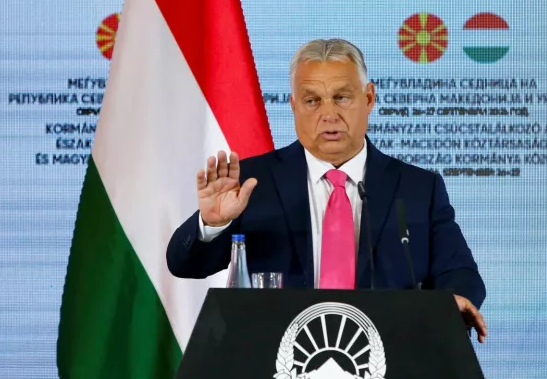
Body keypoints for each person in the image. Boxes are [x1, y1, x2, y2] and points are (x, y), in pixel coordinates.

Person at [166, 38, 487, 342]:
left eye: (342, 97)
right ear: (294, 105)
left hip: (392, 354)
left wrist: (453, 300)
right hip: (276, 358)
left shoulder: (418, 188)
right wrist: (213, 225)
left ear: (369, 98)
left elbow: (459, 270)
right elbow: (185, 264)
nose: (329, 115)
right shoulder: (251, 183)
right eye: (312, 101)